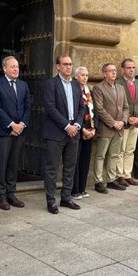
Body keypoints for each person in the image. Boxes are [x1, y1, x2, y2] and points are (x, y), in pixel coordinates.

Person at [42, 55, 84, 214]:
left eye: (70, 64)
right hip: (56, 132)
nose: (68, 67)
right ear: (58, 66)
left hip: (74, 132)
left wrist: (77, 125)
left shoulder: (75, 84)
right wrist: (67, 126)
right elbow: (50, 108)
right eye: (65, 64)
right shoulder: (51, 84)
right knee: (52, 168)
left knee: (70, 167)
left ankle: (66, 197)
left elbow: (82, 107)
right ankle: (51, 201)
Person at [0, 56, 30, 210]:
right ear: (5, 68)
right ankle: (1, 196)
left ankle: (11, 193)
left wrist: (21, 125)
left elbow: (27, 107)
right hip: (3, 132)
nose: (16, 69)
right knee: (1, 164)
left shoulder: (23, 85)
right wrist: (11, 125)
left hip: (19, 131)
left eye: (17, 67)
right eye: (12, 67)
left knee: (13, 164)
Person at [93, 63, 130, 193]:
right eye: (110, 71)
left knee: (114, 155)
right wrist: (113, 122)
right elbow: (99, 109)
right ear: (104, 74)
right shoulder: (98, 88)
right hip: (106, 128)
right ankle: (98, 181)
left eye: (115, 70)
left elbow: (126, 107)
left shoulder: (120, 88)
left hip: (119, 128)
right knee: (100, 156)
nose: (114, 73)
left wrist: (123, 121)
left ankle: (111, 180)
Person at [116, 58, 138, 186]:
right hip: (124, 122)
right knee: (120, 150)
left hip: (136, 123)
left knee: (130, 149)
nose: (132, 70)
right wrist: (126, 118)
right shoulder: (118, 83)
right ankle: (119, 175)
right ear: (123, 69)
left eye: (133, 67)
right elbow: (117, 104)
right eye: (129, 68)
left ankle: (127, 174)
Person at [71, 66, 96, 200]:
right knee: (75, 161)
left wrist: (93, 128)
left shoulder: (88, 91)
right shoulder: (73, 90)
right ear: (76, 77)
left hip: (89, 130)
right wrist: (83, 129)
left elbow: (94, 110)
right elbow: (74, 113)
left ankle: (82, 188)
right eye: (82, 75)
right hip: (78, 130)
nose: (85, 78)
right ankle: (74, 190)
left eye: (86, 75)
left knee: (85, 161)